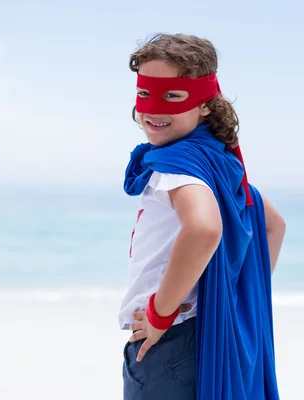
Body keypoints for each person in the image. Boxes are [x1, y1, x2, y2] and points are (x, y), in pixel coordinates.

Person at [118, 33, 286, 400]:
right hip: (199, 332)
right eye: (145, 93)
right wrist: (234, 296)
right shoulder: (217, 161)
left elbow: (204, 228)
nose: (154, 108)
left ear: (206, 104)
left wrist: (160, 315)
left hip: (169, 341)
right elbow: (272, 225)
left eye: (173, 96)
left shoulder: (178, 164)